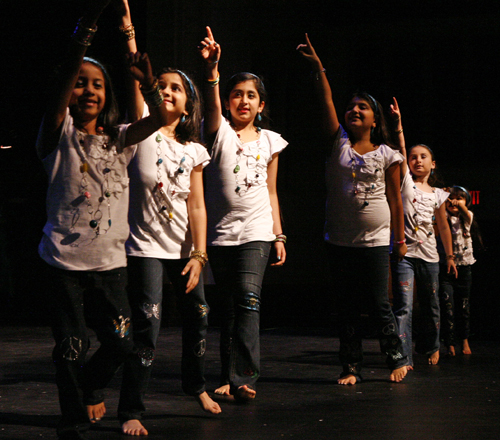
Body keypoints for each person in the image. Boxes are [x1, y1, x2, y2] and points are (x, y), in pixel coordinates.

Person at [36, 1, 169, 438]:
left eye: (97, 84)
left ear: (108, 93)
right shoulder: (58, 136)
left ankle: (88, 387)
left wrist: (149, 86)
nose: (89, 91)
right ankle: (72, 418)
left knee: (121, 344)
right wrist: (85, 33)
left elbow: (161, 119)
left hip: (111, 266)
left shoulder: (119, 140)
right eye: (80, 84)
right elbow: (61, 90)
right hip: (64, 266)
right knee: (71, 348)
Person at [113, 2, 220, 436]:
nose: (168, 92)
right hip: (145, 250)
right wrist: (129, 34)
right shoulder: (143, 130)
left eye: (177, 88)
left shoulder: (194, 150)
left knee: (199, 317)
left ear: (189, 100)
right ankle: (131, 408)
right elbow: (138, 72)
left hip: (183, 250)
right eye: (163, 87)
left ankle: (195, 385)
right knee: (149, 327)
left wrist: (200, 254)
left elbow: (197, 205)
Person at [297, 34, 408, 385]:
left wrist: (400, 240)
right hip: (340, 241)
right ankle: (351, 367)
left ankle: (395, 358)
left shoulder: (388, 154)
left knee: (379, 304)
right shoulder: (338, 144)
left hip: (375, 241)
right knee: (346, 307)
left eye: (363, 106)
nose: (354, 109)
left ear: (375, 119)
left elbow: (395, 199)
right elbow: (325, 99)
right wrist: (319, 69)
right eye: (352, 106)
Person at [198, 26, 287, 401]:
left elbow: (271, 190)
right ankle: (228, 374)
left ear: (261, 105)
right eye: (237, 95)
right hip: (220, 234)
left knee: (249, 298)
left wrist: (279, 235)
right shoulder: (218, 133)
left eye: (251, 96)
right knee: (229, 309)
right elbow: (212, 103)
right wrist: (213, 72)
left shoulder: (270, 141)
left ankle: (244, 377)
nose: (244, 101)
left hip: (257, 232)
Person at [389, 98, 458, 368]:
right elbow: (402, 147)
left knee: (431, 305)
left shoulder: (440, 194)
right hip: (404, 253)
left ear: (433, 164)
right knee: (404, 306)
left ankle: (432, 346)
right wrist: (399, 126)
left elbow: (442, 226)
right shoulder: (405, 179)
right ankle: (403, 356)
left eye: (423, 157)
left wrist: (450, 256)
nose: (417, 160)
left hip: (430, 257)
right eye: (414, 157)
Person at [438, 185, 480, 356]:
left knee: (464, 307)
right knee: (447, 307)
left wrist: (457, 202)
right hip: (446, 268)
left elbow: (464, 209)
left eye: (459, 197)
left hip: (464, 268)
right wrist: (443, 197)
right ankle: (449, 342)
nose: (454, 201)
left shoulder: (468, 217)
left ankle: (464, 339)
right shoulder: (443, 216)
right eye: (452, 197)